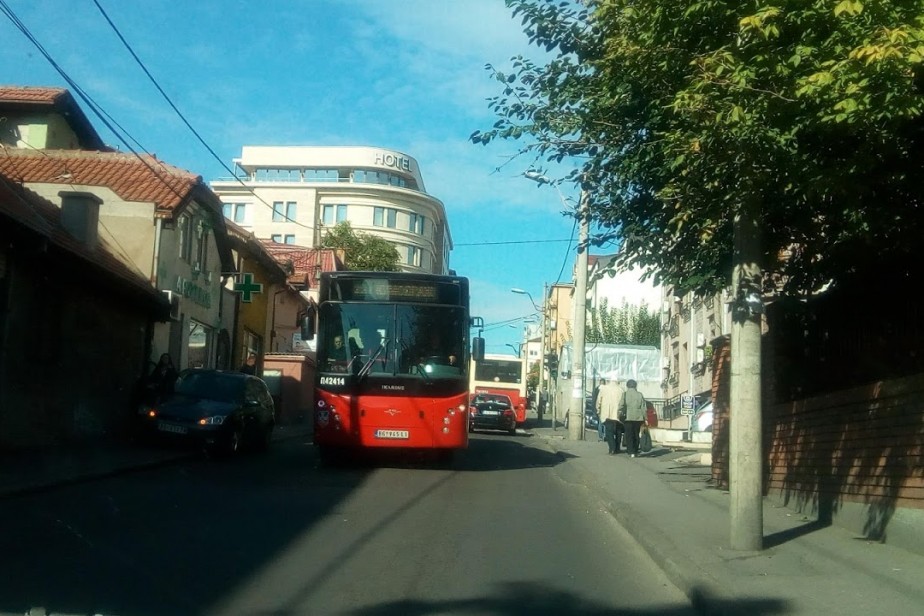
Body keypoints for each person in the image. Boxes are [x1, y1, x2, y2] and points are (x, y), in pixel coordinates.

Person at [618, 379, 648, 457]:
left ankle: (630, 451)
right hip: (638, 418)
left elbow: (621, 405)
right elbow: (643, 407)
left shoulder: (624, 394)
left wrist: (619, 413)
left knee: (629, 434)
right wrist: (645, 418)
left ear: (627, 386)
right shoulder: (640, 395)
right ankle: (635, 450)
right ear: (635, 386)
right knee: (636, 434)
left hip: (628, 417)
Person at [596, 378, 625, 455]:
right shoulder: (621, 390)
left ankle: (612, 448)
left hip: (607, 414)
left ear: (609, 381)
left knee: (609, 432)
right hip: (618, 414)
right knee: (618, 432)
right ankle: (617, 448)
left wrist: (598, 410)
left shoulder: (604, 389)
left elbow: (599, 400)